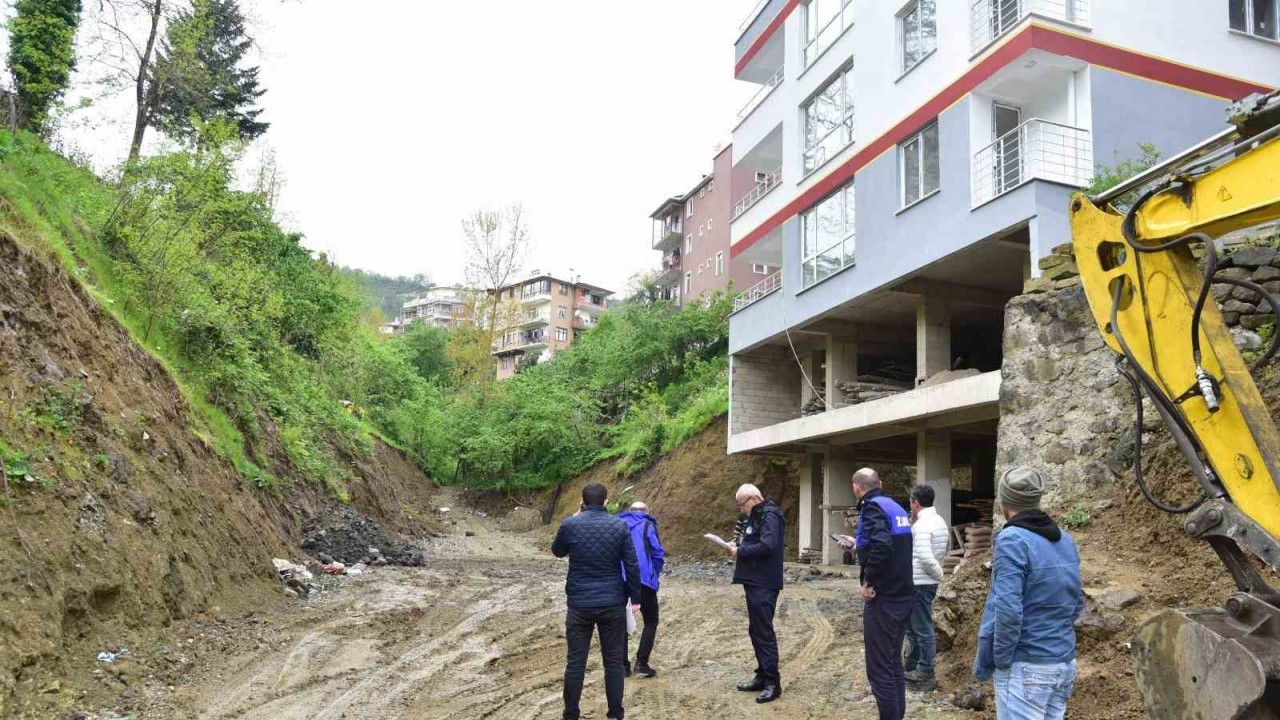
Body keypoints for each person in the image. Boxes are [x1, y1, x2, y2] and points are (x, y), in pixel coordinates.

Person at [973, 467, 1083, 720]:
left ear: (1003, 502)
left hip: (1027, 664)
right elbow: (1076, 600)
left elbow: (1008, 608)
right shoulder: (1065, 540)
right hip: (1062, 663)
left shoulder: (1012, 539)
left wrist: (1002, 660)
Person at [551, 483, 643, 720]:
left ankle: (570, 714)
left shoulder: (570, 524)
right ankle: (615, 714)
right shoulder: (619, 525)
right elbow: (631, 563)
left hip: (579, 602)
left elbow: (557, 551)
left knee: (575, 662)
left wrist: (573, 517)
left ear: (581, 501)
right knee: (613, 662)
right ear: (606, 502)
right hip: (612, 601)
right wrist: (636, 597)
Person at [852, 467, 914, 720]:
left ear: (856, 488)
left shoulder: (872, 507)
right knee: (892, 664)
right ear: (881, 483)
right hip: (903, 595)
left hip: (884, 599)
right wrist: (859, 546)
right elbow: (889, 543)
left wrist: (869, 581)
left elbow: (883, 545)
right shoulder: (895, 507)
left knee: (879, 670)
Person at [727, 483, 785, 704]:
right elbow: (753, 540)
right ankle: (762, 675)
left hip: (764, 581)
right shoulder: (756, 515)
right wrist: (737, 544)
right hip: (753, 580)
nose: (742, 509)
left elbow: (768, 546)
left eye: (742, 504)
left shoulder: (770, 515)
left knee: (764, 632)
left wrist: (740, 551)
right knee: (756, 630)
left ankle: (772, 682)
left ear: (752, 498)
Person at [904, 484, 950, 686]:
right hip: (924, 581)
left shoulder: (923, 525)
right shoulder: (938, 520)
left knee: (921, 628)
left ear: (915, 502)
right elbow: (939, 551)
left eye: (911, 502)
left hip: (919, 581)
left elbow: (924, 556)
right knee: (913, 627)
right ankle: (912, 664)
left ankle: (925, 669)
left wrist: (940, 574)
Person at [618, 501, 665, 678]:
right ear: (646, 511)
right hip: (644, 579)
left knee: (621, 622)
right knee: (651, 621)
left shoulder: (618, 524)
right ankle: (642, 663)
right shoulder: (648, 525)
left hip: (621, 579)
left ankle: (623, 667)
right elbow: (657, 552)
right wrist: (654, 572)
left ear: (630, 511)